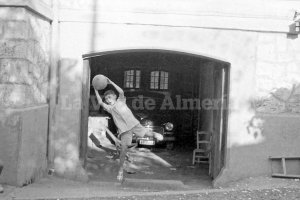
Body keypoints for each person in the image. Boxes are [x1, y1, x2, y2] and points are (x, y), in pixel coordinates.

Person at [94, 77, 163, 182]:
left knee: (147, 134)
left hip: (134, 124)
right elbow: (100, 102)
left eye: (109, 97)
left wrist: (111, 81)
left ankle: (155, 134)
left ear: (115, 97)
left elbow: (121, 91)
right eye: (106, 99)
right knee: (123, 150)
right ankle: (120, 171)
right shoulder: (110, 109)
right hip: (124, 131)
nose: (108, 100)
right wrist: (95, 89)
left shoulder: (121, 100)